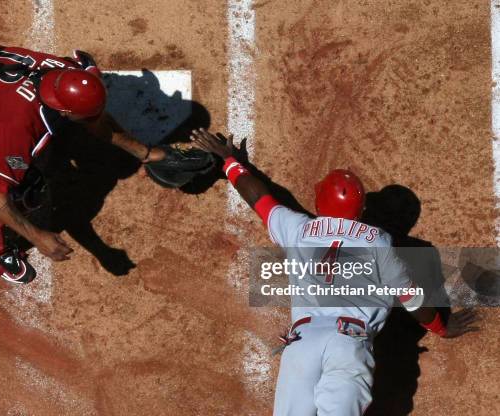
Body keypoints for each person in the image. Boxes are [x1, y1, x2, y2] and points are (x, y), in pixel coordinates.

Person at [190, 129, 479, 416]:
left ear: (320, 203)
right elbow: (410, 298)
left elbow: (260, 199)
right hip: (347, 343)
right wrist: (440, 327)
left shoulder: (299, 229)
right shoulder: (379, 241)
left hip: (302, 343)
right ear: (362, 209)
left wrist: (229, 160)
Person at [0, 38, 165, 283]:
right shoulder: (20, 128)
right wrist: (37, 236)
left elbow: (89, 83)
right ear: (66, 111)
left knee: (60, 138)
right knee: (26, 184)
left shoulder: (65, 70)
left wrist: (147, 153)